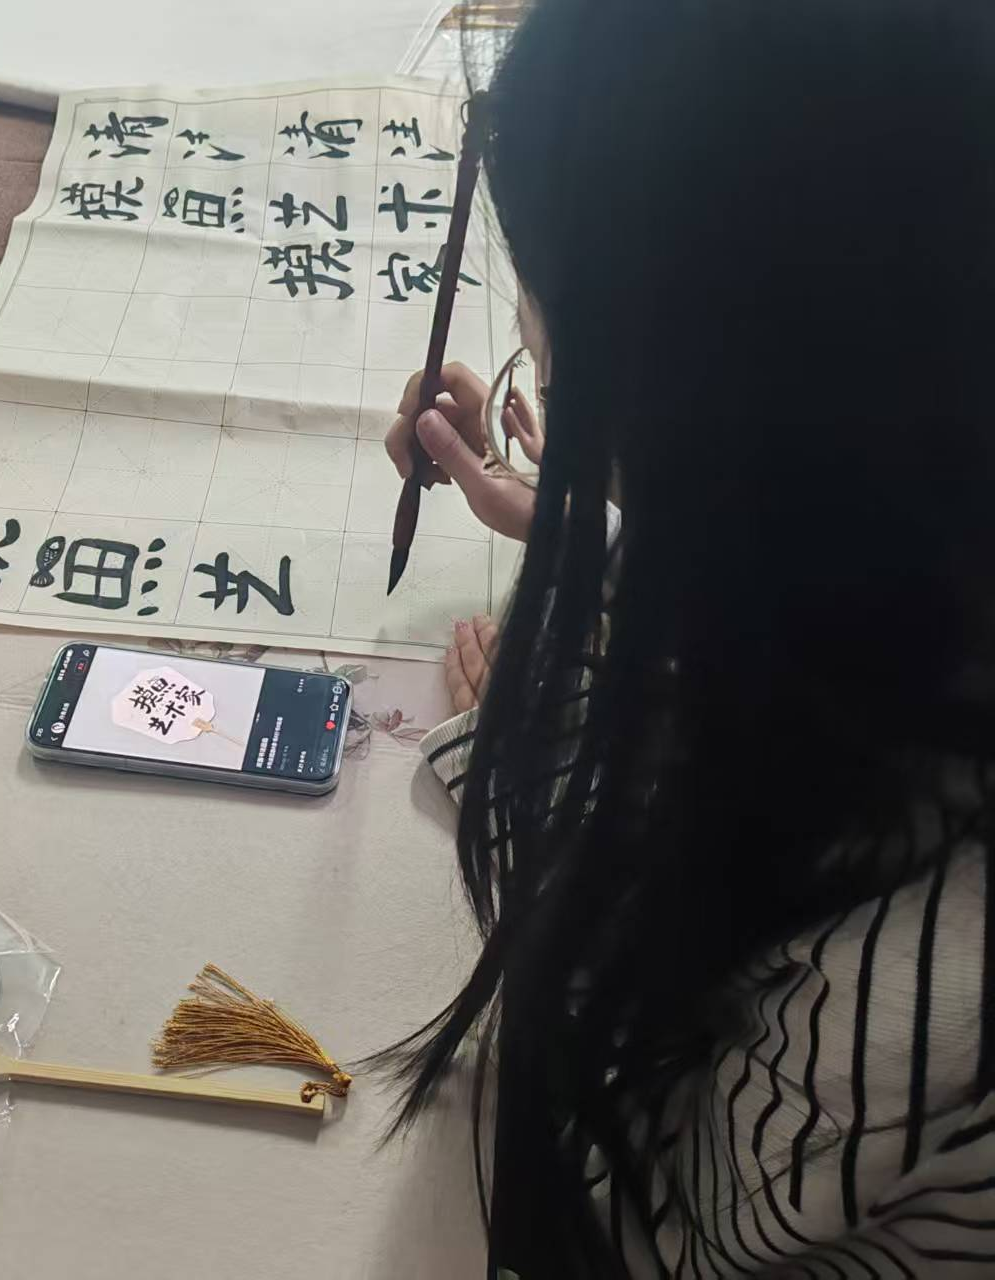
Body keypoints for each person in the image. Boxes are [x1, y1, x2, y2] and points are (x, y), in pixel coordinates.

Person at [382, 1, 995, 1276]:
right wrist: (621, 522)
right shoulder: (909, 557)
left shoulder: (902, 988)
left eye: (549, 357)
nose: (537, 377)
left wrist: (555, 743)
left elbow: (657, 1218)